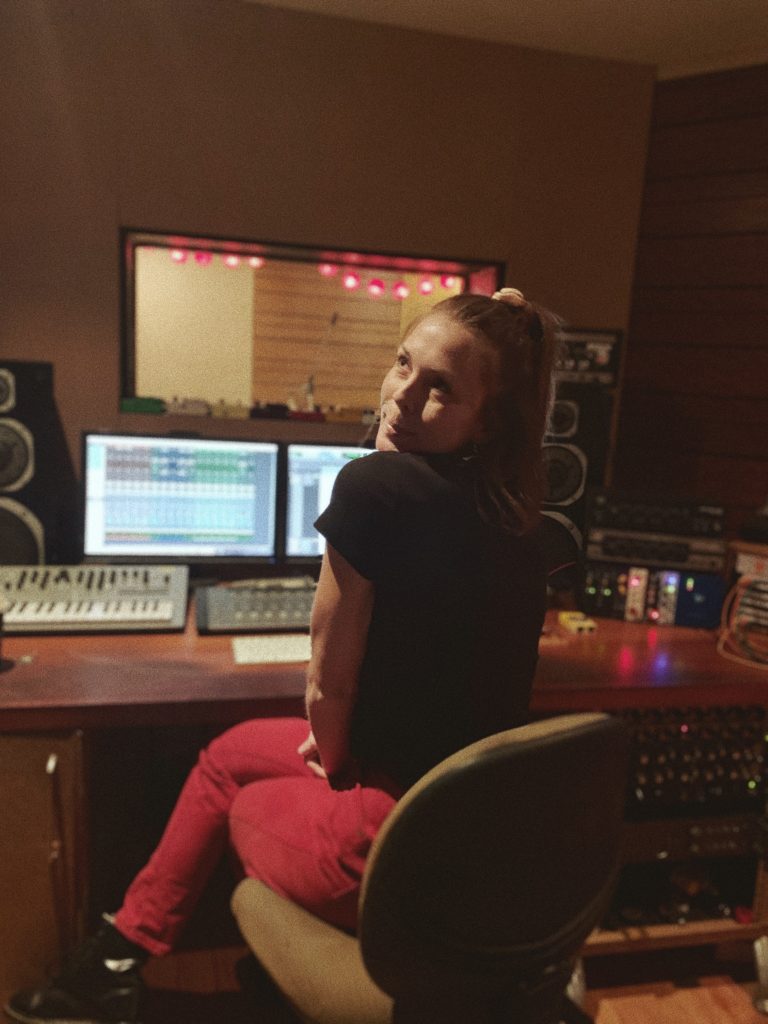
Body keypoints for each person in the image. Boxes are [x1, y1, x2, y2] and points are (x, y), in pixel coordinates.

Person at [6, 287, 562, 1024]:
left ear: (485, 422)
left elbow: (326, 688)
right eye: (403, 364)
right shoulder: (522, 518)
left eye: (440, 389)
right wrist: (341, 746)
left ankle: (120, 964)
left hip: (392, 845)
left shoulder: (374, 484)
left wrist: (334, 756)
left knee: (240, 801)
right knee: (228, 752)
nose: (402, 397)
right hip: (469, 824)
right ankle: (119, 954)